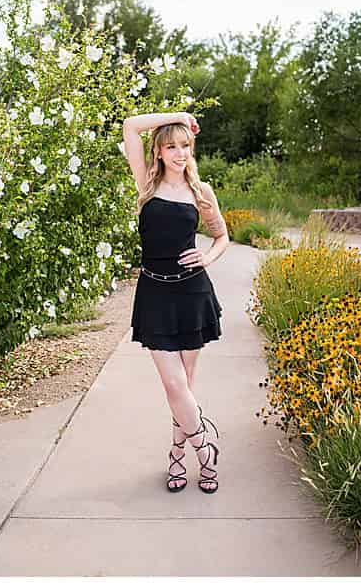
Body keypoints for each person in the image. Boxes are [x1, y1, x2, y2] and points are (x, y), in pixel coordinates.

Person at [121, 110, 229, 494]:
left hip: (191, 293)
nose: (181, 153)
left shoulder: (201, 193)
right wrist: (180, 115)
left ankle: (176, 457)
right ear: (160, 151)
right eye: (172, 146)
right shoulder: (145, 185)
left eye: (186, 145)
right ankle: (205, 448)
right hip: (154, 294)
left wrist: (208, 256)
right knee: (173, 384)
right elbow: (131, 125)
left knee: (182, 386)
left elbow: (222, 238)